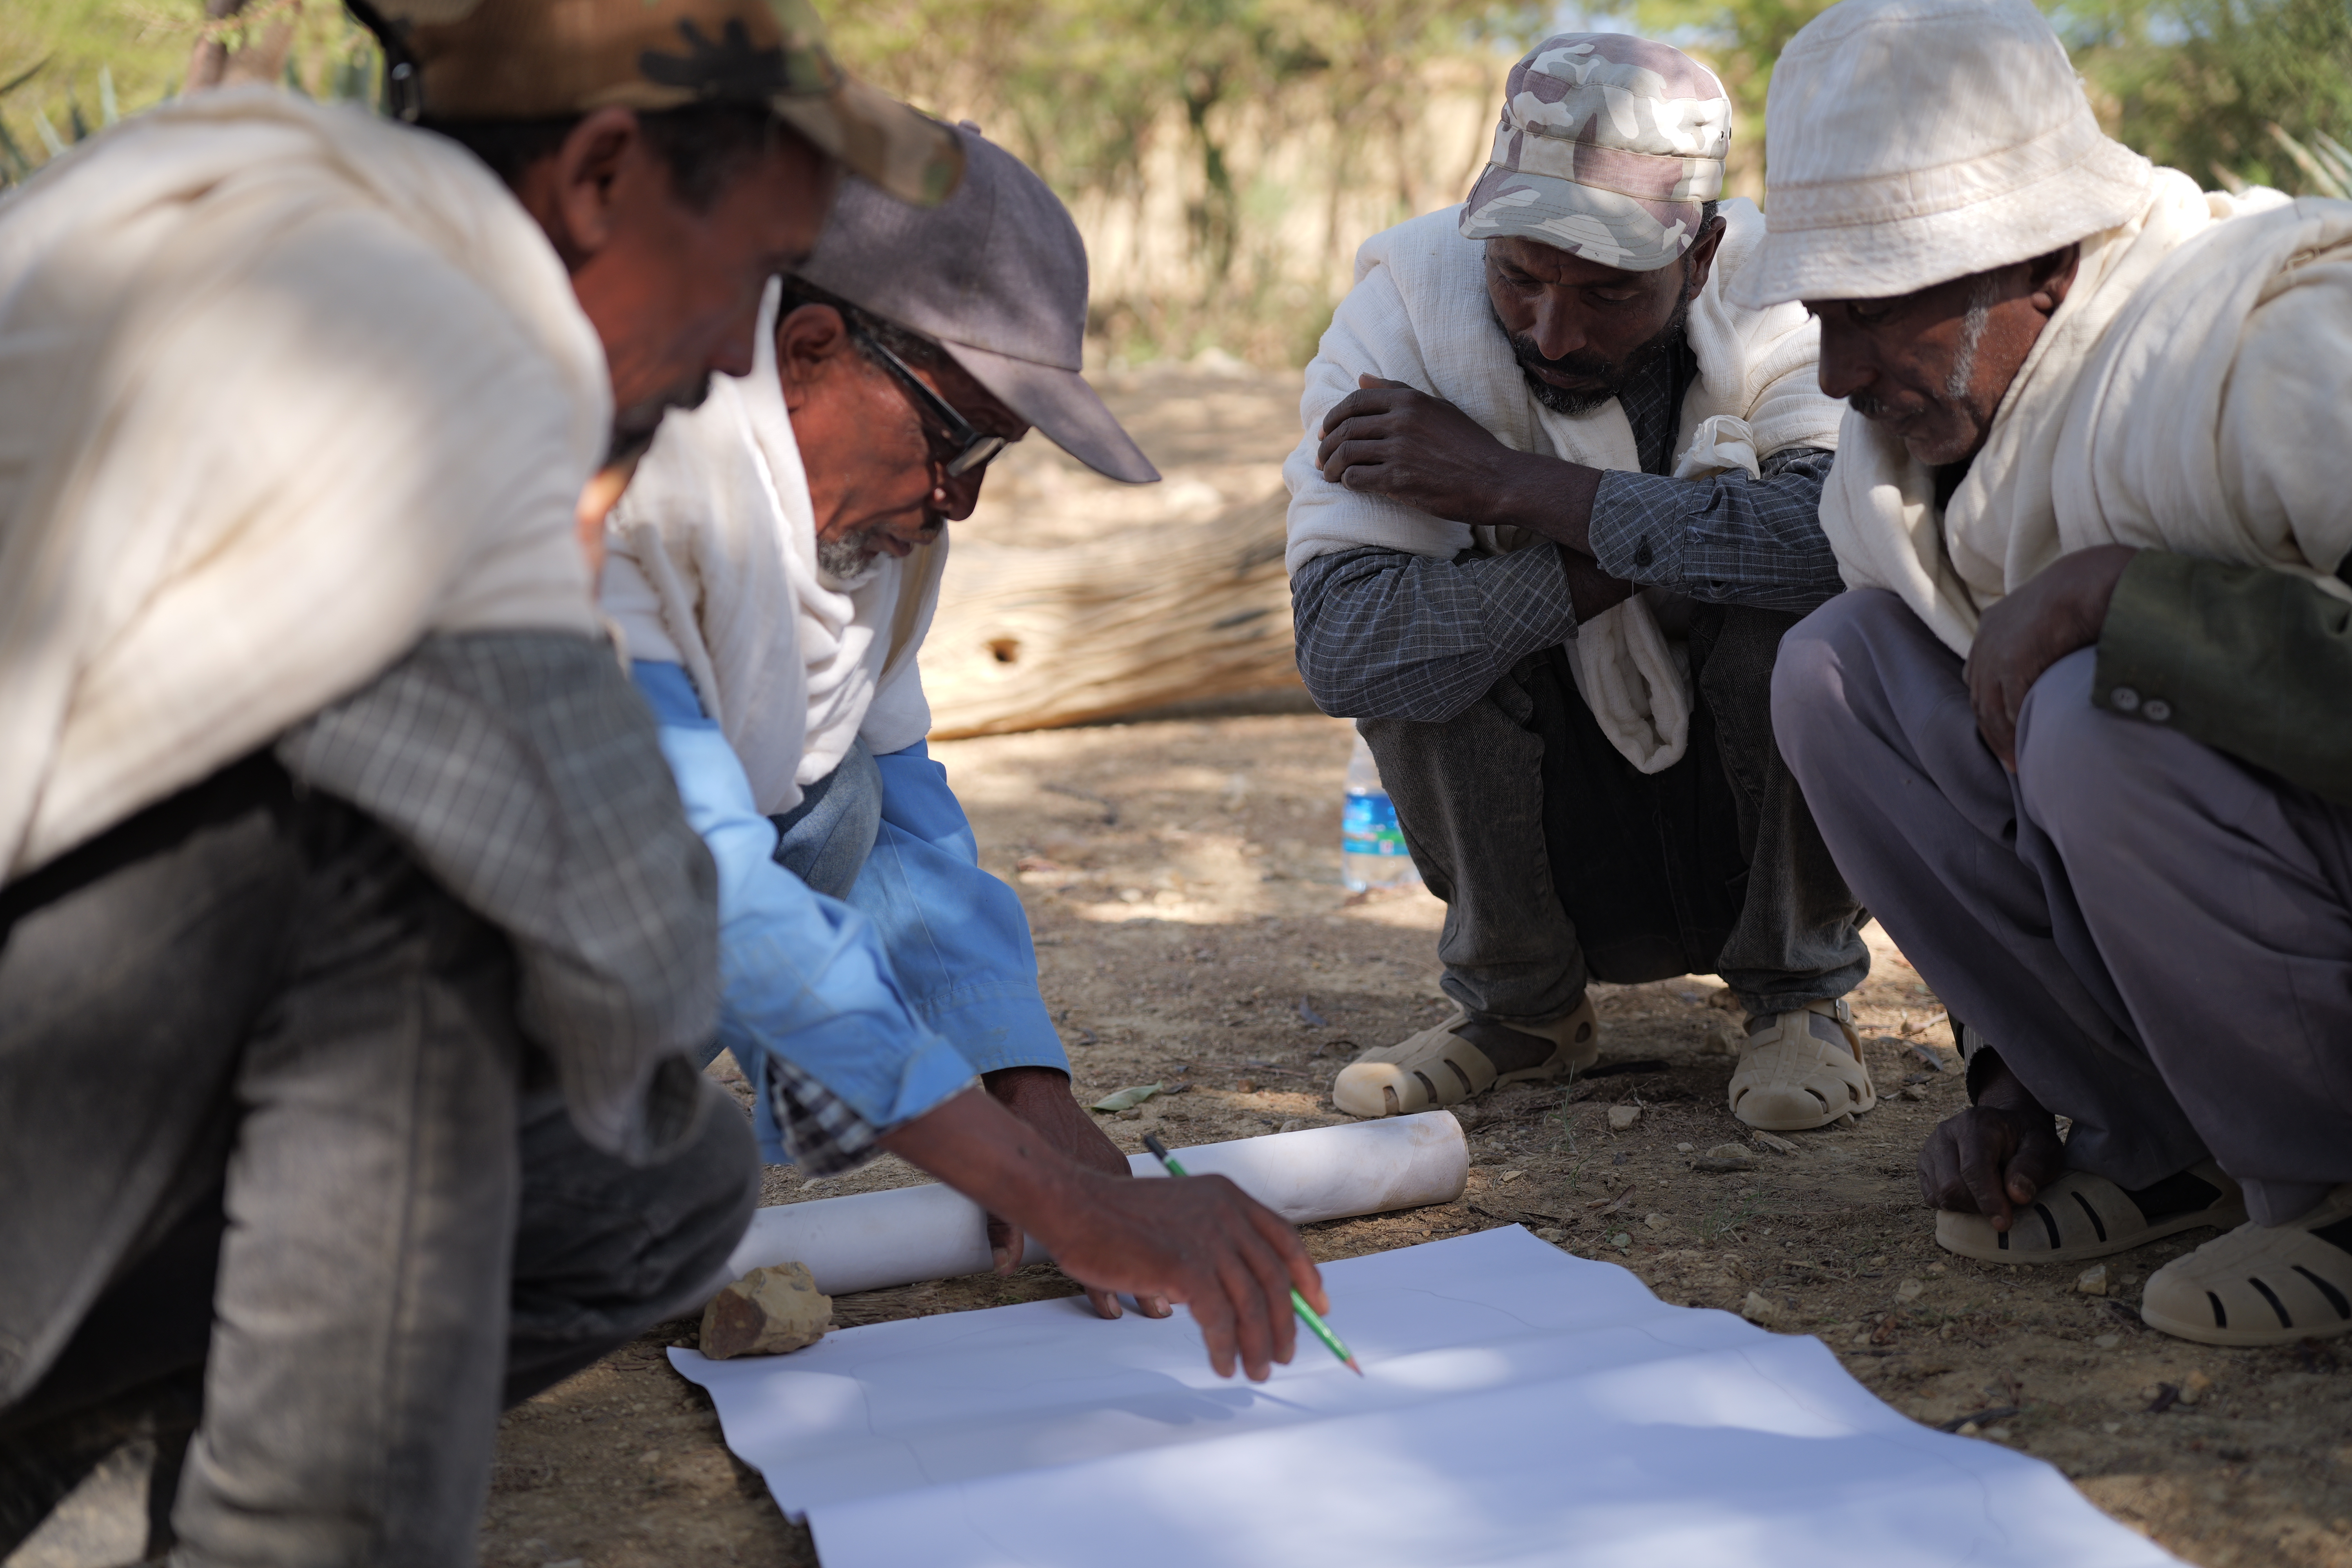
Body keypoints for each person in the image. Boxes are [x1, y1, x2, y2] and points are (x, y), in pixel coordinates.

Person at [601, 129, 1316, 1337]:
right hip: (395, 975)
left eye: (996, 454)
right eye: (955, 435)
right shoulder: (618, 502)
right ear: (811, 350)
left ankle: (586, 1130)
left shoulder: (857, 538)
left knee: (841, 801)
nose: (962, 497)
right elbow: (698, 871)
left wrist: (1026, 1088)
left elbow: (888, 806)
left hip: (611, 938)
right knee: (613, 1222)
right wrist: (1053, 1201)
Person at [1753, 0, 2352, 1347]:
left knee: (2095, 706)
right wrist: (2015, 1083)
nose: (1838, 372)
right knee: (1832, 668)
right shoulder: (1900, 465)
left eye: (1875, 308)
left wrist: (2131, 597)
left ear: (2037, 263)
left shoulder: (2275, 350)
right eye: (1819, 315)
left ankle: (2331, 1184)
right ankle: (2151, 1135)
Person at [1286, 34, 1871, 1132]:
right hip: (1567, 819)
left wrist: (1513, 487)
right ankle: (1521, 1009)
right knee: (1423, 653)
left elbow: (1835, 548)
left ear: (1698, 261)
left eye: (1609, 294)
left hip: (1742, 807)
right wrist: (1652, 545)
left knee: (1814, 633)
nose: (1554, 332)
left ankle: (1800, 993)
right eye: (1520, 278)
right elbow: (1346, 645)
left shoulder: (1784, 297)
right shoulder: (1405, 311)